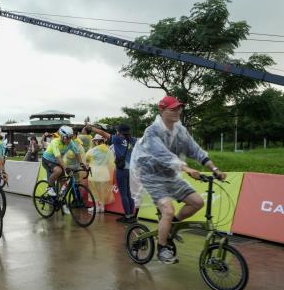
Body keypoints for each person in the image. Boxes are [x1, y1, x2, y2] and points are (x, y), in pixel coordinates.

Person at [130, 95, 226, 264]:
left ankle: (171, 225)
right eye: (172, 109)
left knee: (197, 202)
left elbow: (196, 150)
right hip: (152, 176)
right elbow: (162, 154)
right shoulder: (152, 131)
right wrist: (186, 168)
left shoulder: (180, 130)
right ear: (161, 110)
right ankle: (162, 248)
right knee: (168, 210)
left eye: (179, 108)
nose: (177, 111)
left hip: (171, 174)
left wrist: (214, 168)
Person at [88, 123, 138, 223]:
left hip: (122, 169)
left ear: (119, 132)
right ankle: (132, 215)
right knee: (129, 193)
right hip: (132, 170)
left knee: (124, 194)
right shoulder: (134, 140)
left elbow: (102, 133)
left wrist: (91, 128)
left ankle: (127, 216)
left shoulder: (117, 139)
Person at [42, 126, 84, 202]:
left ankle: (61, 201)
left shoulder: (70, 142)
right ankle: (49, 188)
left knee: (64, 184)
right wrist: (66, 168)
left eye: (70, 137)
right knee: (58, 171)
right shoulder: (55, 142)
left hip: (57, 162)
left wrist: (81, 164)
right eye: (67, 138)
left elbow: (77, 153)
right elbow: (58, 157)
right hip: (47, 160)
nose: (69, 140)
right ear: (61, 136)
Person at [85, 134, 115, 213]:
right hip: (105, 173)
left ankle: (96, 207)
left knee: (94, 191)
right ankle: (102, 207)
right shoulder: (108, 150)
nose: (94, 142)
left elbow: (86, 160)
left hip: (94, 173)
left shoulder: (92, 150)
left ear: (97, 141)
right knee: (102, 191)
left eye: (95, 141)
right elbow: (111, 162)